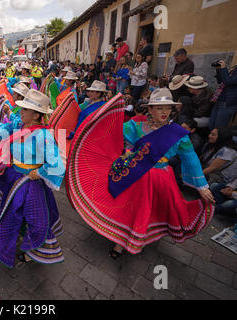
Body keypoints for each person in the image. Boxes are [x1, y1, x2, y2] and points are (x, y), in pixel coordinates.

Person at [67, 88, 215, 259]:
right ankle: (121, 241)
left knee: (147, 210)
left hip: (159, 178)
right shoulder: (136, 126)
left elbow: (190, 159)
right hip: (133, 174)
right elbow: (110, 132)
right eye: (160, 108)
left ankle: (136, 238)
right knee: (130, 209)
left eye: (168, 108)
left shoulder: (177, 134)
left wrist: (202, 186)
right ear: (150, 109)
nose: (165, 112)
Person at [0, 89, 65, 267]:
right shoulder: (18, 125)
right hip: (13, 178)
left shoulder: (43, 136)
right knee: (15, 210)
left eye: (24, 110)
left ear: (35, 115)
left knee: (34, 217)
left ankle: (34, 249)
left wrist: (39, 172)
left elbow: (57, 164)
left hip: (30, 183)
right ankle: (19, 236)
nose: (20, 112)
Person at [210, 60, 237, 129]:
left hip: (228, 103)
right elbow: (221, 81)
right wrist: (218, 69)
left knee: (218, 129)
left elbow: (228, 81)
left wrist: (224, 68)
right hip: (219, 99)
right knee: (211, 126)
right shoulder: (235, 68)